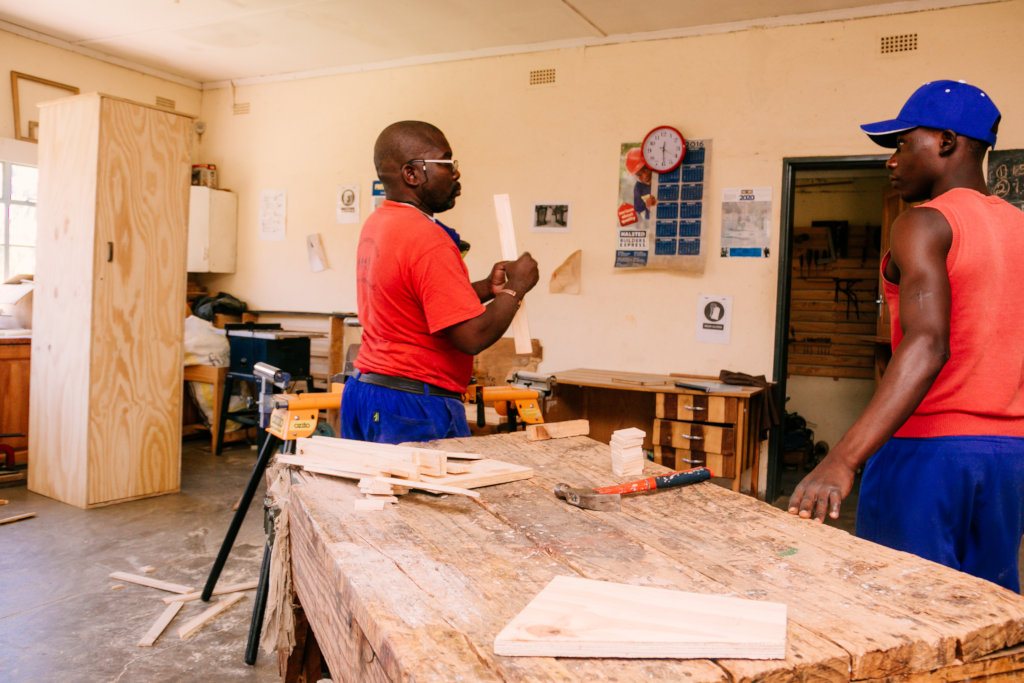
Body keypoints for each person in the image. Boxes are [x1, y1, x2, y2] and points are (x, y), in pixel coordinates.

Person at [788, 80, 1024, 592]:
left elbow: (927, 342)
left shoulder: (923, 223)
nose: (892, 161)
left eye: (901, 143)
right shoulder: (1020, 228)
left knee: (899, 613)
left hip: (928, 451)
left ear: (945, 141)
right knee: (990, 620)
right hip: (1009, 457)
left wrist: (842, 458)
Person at [342, 120, 539, 444]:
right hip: (411, 407)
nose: (456, 173)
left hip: (367, 393)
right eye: (447, 162)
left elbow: (413, 299)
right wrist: (517, 287)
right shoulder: (427, 238)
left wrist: (485, 288)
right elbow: (471, 337)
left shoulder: (380, 223)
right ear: (412, 174)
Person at [625, 147, 657, 218]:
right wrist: (649, 209)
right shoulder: (639, 188)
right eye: (639, 175)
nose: (645, 175)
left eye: (645, 170)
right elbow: (641, 213)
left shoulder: (663, 177)